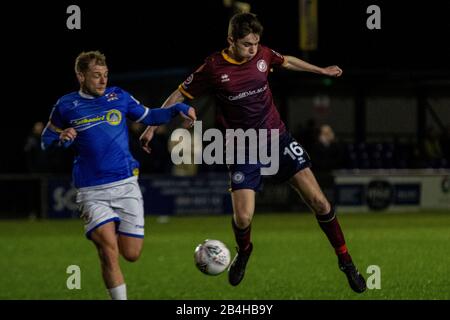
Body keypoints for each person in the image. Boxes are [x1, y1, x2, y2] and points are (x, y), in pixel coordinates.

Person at [140, 13, 366, 293]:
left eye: (256, 44)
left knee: (320, 202)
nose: (253, 49)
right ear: (231, 41)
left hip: (277, 138)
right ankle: (244, 251)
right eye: (247, 44)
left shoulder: (263, 55)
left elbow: (287, 60)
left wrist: (320, 70)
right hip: (241, 145)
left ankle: (346, 262)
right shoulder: (213, 67)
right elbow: (179, 95)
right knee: (244, 217)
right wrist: (152, 123)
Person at [41, 51, 196, 300]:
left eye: (105, 75)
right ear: (80, 76)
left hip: (126, 185)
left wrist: (179, 107)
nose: (102, 81)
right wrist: (61, 139)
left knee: (131, 254)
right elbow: (46, 140)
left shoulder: (119, 96)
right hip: (92, 191)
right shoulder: (66, 105)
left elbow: (150, 115)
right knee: (108, 250)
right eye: (96, 76)